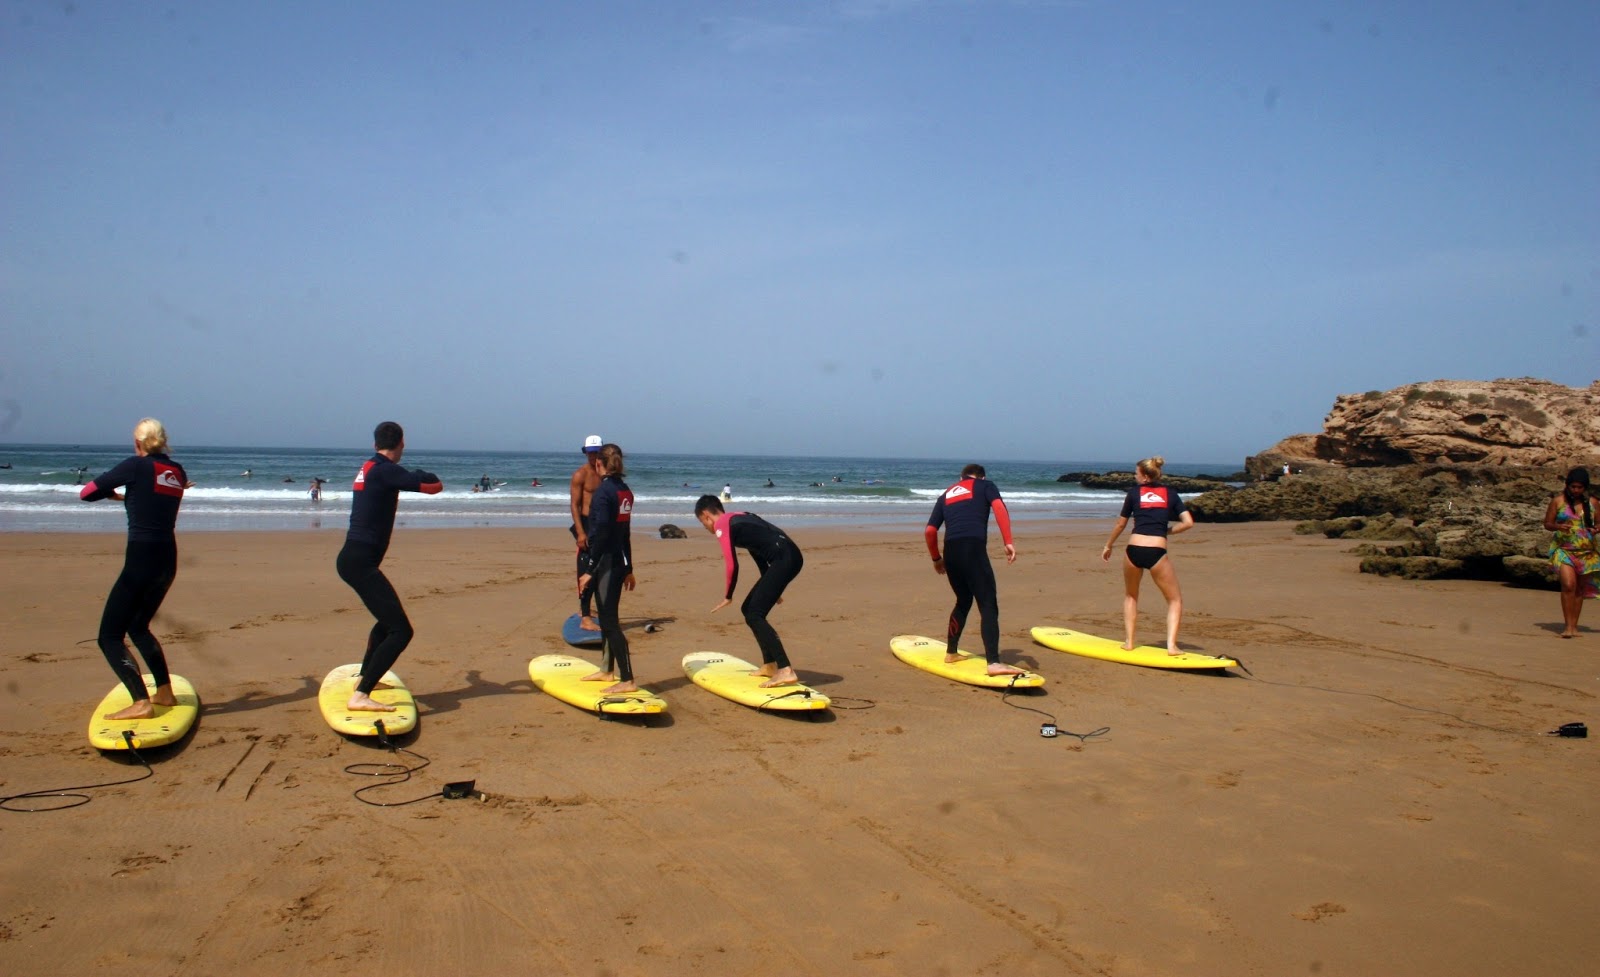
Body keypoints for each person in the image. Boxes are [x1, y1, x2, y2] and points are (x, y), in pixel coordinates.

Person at [78, 418, 189, 720]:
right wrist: (122, 496)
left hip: (141, 560)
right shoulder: (177, 471)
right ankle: (164, 692)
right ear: (163, 441)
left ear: (138, 443)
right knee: (138, 626)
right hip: (167, 560)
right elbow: (150, 501)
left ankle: (141, 702)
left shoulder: (135, 466)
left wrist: (110, 490)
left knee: (109, 637)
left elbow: (87, 492)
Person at [335, 421, 443, 712]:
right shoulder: (386, 471)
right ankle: (361, 695)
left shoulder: (370, 466)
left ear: (375, 444)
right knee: (401, 631)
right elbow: (435, 486)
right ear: (402, 444)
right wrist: (417, 474)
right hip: (360, 562)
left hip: (352, 558)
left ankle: (365, 676)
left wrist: (408, 475)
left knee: (386, 621)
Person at [694, 494, 803, 687]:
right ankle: (769, 665)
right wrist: (769, 581)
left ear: (706, 515)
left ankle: (785, 669)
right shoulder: (740, 517)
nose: (707, 528)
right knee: (749, 610)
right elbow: (758, 552)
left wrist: (728, 595)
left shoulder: (723, 526)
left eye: (704, 524)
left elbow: (731, 565)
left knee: (755, 614)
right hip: (789, 556)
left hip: (784, 559)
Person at [924, 463, 1020, 676]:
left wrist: (936, 558)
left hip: (951, 553)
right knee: (987, 603)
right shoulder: (985, 486)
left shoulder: (946, 494)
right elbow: (999, 508)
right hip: (972, 548)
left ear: (961, 478)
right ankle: (993, 663)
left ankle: (951, 652)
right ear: (981, 477)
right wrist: (1008, 541)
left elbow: (930, 531)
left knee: (963, 600)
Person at [1102, 456, 1194, 655]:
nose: (1134, 476)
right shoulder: (1170, 493)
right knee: (1174, 600)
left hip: (1133, 550)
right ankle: (1171, 646)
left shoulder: (1134, 493)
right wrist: (1166, 531)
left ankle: (1129, 642)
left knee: (1131, 596)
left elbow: (1120, 524)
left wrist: (1108, 545)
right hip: (1157, 551)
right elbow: (1188, 522)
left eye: (1136, 473)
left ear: (1144, 477)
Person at [576, 444, 638, 692]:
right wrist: (629, 566)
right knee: (606, 616)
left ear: (599, 464)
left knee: (610, 621)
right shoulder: (625, 491)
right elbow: (625, 533)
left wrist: (589, 569)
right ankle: (606, 671)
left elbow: (600, 535)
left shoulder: (603, 493)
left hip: (606, 563)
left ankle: (628, 680)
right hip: (618, 561)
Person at [1543, 467, 1597, 639]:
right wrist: (1558, 526)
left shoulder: (1593, 503)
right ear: (1567, 486)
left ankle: (1574, 626)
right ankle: (1567, 627)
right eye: (1573, 486)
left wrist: (1595, 529)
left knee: (1580, 589)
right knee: (1568, 585)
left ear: (1585, 488)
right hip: (1564, 551)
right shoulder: (1558, 501)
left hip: (1586, 552)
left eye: (1579, 487)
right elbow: (1547, 524)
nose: (1576, 490)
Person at [568, 435, 605, 632]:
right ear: (585, 453)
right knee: (585, 569)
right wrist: (581, 533)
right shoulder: (580, 475)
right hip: (585, 525)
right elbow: (574, 505)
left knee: (599, 569)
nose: (594, 456)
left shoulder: (605, 474)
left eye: (597, 452)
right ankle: (585, 616)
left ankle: (590, 610)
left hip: (600, 525)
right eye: (590, 453)